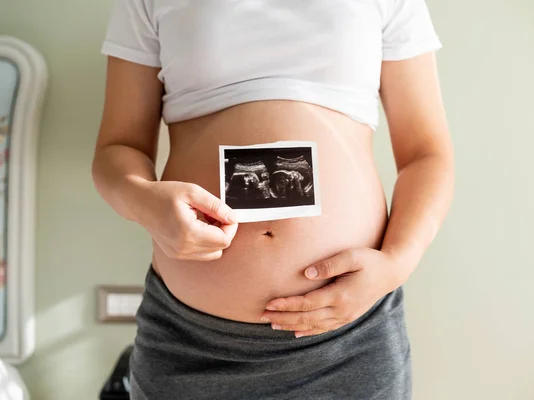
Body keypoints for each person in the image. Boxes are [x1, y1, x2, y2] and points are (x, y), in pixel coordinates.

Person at [92, 1, 454, 399]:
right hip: (191, 343)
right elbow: (117, 149)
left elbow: (427, 156)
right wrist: (146, 202)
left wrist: (396, 264)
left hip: (349, 340)